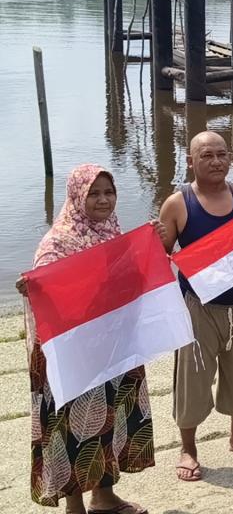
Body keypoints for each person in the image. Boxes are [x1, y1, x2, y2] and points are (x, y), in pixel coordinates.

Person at [16, 164, 161, 514]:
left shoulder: (114, 234)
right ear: (77, 196)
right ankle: (75, 506)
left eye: (109, 192)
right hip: (73, 351)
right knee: (73, 427)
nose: (103, 200)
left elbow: (130, 282)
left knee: (108, 420)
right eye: (93, 193)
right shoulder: (58, 241)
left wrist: (149, 247)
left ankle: (104, 497)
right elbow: (51, 291)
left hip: (110, 346)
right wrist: (34, 288)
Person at [158, 131, 233, 482]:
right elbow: (160, 257)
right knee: (193, 379)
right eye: (207, 155)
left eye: (221, 154)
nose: (216, 161)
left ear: (230, 158)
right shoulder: (178, 204)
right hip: (199, 306)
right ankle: (188, 448)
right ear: (190, 161)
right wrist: (156, 241)